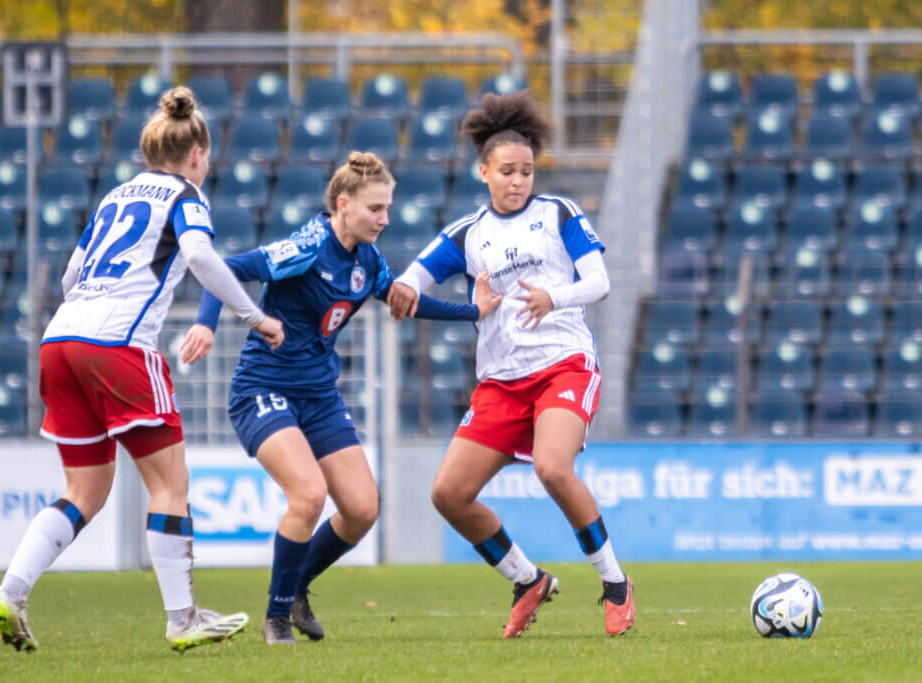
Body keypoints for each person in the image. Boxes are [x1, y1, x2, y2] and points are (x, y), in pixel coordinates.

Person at [0, 87, 285, 653]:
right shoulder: (187, 195)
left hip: (60, 338)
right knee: (170, 485)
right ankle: (182, 617)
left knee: (83, 492)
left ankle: (10, 592)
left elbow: (73, 275)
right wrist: (254, 315)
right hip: (119, 345)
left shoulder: (115, 197)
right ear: (197, 154)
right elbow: (197, 256)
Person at [178, 151, 501, 645]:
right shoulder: (308, 247)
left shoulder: (367, 260)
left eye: (388, 208)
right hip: (264, 388)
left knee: (362, 507)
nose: (385, 218)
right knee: (308, 494)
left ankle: (297, 585)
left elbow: (403, 300)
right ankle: (277, 617)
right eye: (375, 208)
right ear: (343, 204)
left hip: (318, 396)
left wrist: (472, 311)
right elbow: (224, 268)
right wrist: (206, 321)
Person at [388, 91, 635, 639]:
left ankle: (614, 582)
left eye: (526, 170)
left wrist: (556, 298)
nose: (518, 180)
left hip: (563, 365)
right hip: (501, 380)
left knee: (552, 467)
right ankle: (527, 579)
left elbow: (599, 281)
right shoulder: (467, 233)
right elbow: (414, 275)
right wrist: (405, 288)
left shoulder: (558, 214)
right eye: (507, 171)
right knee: (448, 494)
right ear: (484, 172)